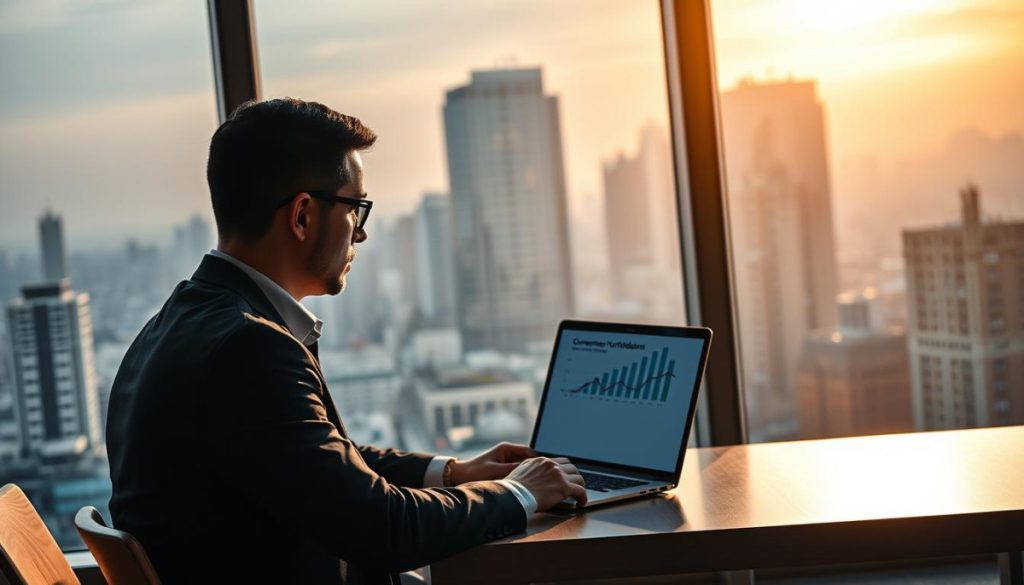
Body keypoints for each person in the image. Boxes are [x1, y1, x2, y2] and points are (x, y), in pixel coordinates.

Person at [106, 98, 587, 585]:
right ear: (302, 216)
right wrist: (520, 494)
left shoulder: (170, 326)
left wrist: (454, 473)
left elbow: (317, 464)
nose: (360, 233)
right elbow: (383, 528)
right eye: (356, 208)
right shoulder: (246, 349)